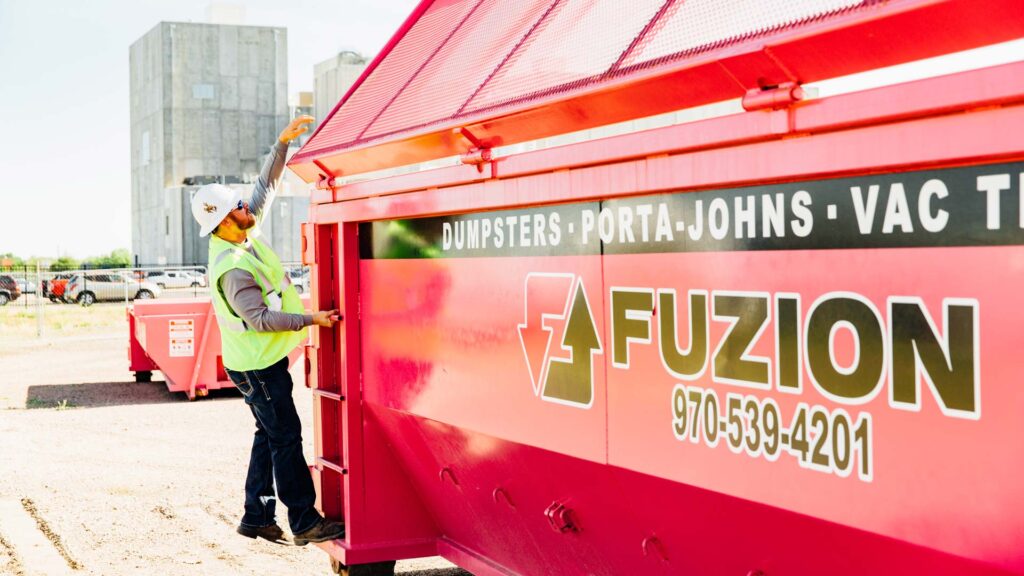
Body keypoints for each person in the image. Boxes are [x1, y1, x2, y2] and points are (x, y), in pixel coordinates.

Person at [189, 115, 344, 547]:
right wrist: (313, 319)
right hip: (257, 368)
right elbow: (259, 319)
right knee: (286, 438)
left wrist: (280, 145)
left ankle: (256, 515)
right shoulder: (233, 267)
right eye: (237, 207)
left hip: (258, 365)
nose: (246, 207)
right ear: (222, 221)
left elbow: (265, 189)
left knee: (269, 433)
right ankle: (304, 521)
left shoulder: (239, 234)